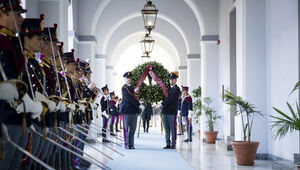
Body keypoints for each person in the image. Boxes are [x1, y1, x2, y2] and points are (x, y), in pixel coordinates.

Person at [120, 71, 140, 149]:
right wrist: (139, 105)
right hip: (126, 110)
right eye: (127, 78)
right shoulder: (124, 88)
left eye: (130, 78)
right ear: (124, 79)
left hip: (134, 111)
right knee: (126, 129)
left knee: (133, 128)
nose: (128, 79)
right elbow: (129, 98)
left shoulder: (133, 88)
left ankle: (131, 144)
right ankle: (126, 144)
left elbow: (135, 97)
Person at [161, 73, 181, 149]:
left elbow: (171, 99)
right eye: (170, 79)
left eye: (173, 79)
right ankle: (167, 143)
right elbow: (163, 97)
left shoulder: (177, 89)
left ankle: (173, 143)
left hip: (172, 111)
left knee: (173, 128)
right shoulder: (166, 88)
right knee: (166, 128)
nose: (171, 81)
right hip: (165, 111)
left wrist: (162, 103)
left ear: (176, 80)